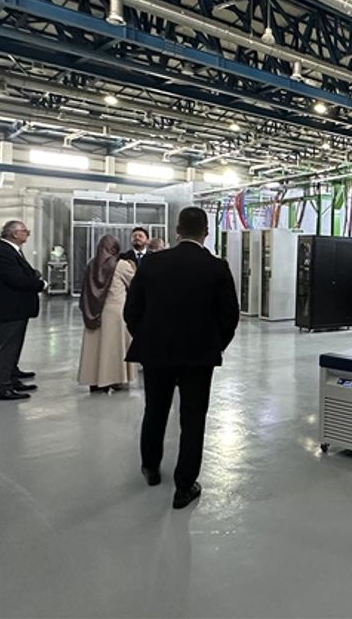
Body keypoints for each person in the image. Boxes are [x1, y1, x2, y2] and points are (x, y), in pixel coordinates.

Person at [125, 207, 239, 509]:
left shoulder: (152, 262)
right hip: (198, 356)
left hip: (156, 353)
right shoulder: (216, 267)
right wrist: (215, 345)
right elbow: (229, 315)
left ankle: (150, 467)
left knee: (155, 410)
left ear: (177, 230)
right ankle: (184, 485)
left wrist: (147, 337)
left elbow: (132, 310)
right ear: (206, 233)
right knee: (193, 418)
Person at [0, 220, 46, 401]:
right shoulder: (2, 252)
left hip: (15, 307)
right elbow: (17, 279)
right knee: (7, 346)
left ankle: (10, 376)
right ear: (14, 234)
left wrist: (32, 275)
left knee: (9, 344)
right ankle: (1, 386)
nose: (27, 234)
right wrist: (40, 284)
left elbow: (23, 273)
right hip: (9, 307)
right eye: (24, 231)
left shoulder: (11, 251)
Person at [76, 235, 136, 394]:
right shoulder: (121, 265)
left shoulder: (91, 264)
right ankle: (115, 379)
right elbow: (135, 284)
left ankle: (95, 381)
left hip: (93, 311)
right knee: (114, 347)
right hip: (115, 312)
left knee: (95, 348)